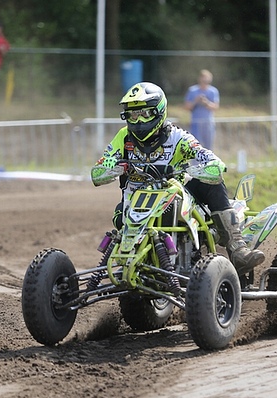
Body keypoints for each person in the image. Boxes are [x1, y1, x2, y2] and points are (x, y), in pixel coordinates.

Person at [91, 82, 264, 275]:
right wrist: (115, 167)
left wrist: (207, 168)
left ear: (159, 112)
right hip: (136, 201)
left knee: (213, 184)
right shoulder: (123, 137)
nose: (138, 121)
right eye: (133, 115)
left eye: (144, 114)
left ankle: (238, 248)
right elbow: (98, 171)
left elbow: (210, 159)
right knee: (118, 218)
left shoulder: (177, 137)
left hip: (174, 194)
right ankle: (133, 261)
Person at [184, 69, 220, 150]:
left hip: (208, 123)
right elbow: (186, 106)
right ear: (199, 78)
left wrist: (206, 102)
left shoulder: (213, 91)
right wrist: (195, 101)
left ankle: (209, 162)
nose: (204, 81)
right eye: (203, 78)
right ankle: (195, 163)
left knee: (209, 147)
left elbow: (216, 107)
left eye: (206, 79)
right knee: (195, 147)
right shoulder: (192, 90)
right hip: (195, 123)